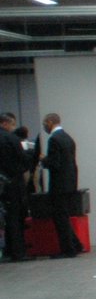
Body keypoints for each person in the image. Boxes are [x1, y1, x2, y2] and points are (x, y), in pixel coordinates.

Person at [37, 112, 84, 258]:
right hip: (70, 182)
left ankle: (68, 249)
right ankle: (76, 244)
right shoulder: (68, 138)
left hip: (59, 184)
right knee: (65, 215)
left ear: (50, 122)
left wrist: (43, 160)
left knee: (60, 217)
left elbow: (55, 163)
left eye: (45, 122)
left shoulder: (54, 139)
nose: (44, 125)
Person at [0, 112, 29, 262]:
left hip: (2, 183)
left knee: (5, 217)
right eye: (12, 124)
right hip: (13, 182)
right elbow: (24, 160)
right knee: (15, 217)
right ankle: (18, 252)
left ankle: (7, 250)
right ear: (5, 123)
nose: (13, 127)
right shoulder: (11, 138)